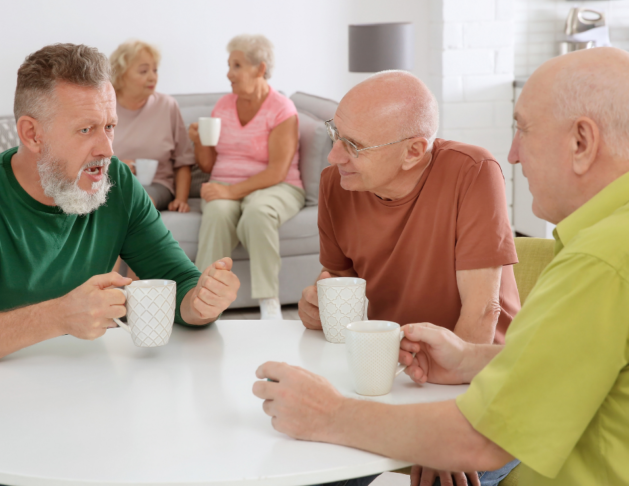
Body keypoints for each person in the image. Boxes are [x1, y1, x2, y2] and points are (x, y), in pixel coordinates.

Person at [253, 47, 629, 486]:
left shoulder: (600, 262)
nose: (513, 155)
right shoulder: (603, 245)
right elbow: (566, 365)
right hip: (408, 377)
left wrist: (329, 413)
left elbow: (480, 439)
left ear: (581, 143)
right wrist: (471, 359)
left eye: (523, 131)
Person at [0, 44, 240, 484]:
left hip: (84, 413)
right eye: (87, 129)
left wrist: (200, 302)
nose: (107, 148)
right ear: (32, 134)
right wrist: (58, 316)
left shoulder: (120, 188)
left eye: (110, 126)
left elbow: (180, 283)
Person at [297, 70, 520, 484]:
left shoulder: (473, 171)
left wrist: (443, 434)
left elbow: (482, 313)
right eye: (335, 133)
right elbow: (341, 284)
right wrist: (316, 305)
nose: (333, 156)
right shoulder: (338, 183)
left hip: (480, 382)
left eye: (354, 146)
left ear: (414, 151)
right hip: (388, 373)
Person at [189, 34, 305, 320]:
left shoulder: (281, 109)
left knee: (257, 212)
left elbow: (278, 170)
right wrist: (199, 142)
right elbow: (207, 165)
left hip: (277, 186)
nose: (229, 74)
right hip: (225, 184)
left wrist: (232, 192)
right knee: (216, 211)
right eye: (229, 65)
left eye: (237, 65)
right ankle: (202, 300)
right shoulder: (224, 106)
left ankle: (269, 301)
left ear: (260, 69)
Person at [110, 40, 194, 212]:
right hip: (109, 183)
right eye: (143, 71)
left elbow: (183, 160)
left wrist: (181, 199)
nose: (152, 76)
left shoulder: (167, 105)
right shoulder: (104, 106)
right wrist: (114, 168)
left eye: (155, 70)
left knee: (137, 200)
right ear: (121, 74)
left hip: (156, 186)